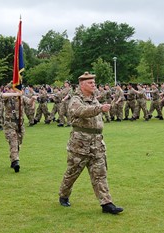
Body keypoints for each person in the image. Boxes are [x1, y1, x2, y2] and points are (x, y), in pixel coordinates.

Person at [58, 71, 123, 215]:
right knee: (72, 173)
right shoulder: (75, 99)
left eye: (94, 82)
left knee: (100, 174)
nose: (94, 85)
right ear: (82, 84)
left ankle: (106, 203)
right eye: (90, 83)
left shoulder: (94, 99)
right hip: (80, 145)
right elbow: (81, 111)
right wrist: (99, 108)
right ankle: (63, 195)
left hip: (97, 143)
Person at [1, 84, 36, 173]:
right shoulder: (8, 97)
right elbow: (2, 95)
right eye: (13, 89)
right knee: (13, 141)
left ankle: (13, 158)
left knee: (18, 143)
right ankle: (16, 161)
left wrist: (33, 99)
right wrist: (16, 94)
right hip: (10, 124)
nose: (15, 90)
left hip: (20, 124)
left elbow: (29, 103)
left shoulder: (22, 98)